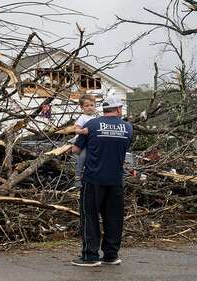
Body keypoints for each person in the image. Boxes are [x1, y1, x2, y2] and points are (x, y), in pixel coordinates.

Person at [71, 95, 133, 267]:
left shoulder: (91, 125)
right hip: (115, 180)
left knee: (90, 217)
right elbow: (123, 149)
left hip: (93, 179)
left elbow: (76, 149)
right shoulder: (128, 128)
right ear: (119, 109)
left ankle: (90, 256)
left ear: (104, 109)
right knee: (114, 218)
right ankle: (111, 255)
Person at [73, 94, 97, 188]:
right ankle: (77, 177)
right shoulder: (82, 118)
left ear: (95, 106)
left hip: (93, 142)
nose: (89, 108)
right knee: (82, 157)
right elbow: (76, 130)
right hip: (83, 142)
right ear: (82, 107)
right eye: (87, 106)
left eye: (91, 105)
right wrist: (82, 131)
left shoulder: (96, 118)